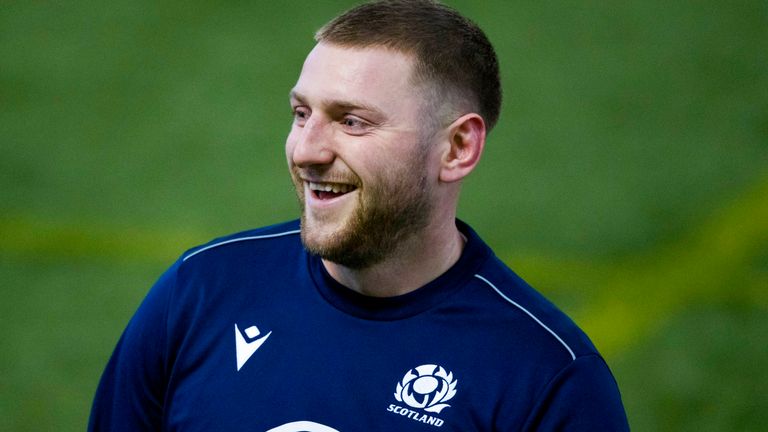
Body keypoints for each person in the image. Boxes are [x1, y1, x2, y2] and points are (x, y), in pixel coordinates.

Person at [89, 1, 629, 430]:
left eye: (352, 122)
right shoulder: (199, 293)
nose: (307, 151)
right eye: (302, 114)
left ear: (458, 147)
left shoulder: (547, 381)